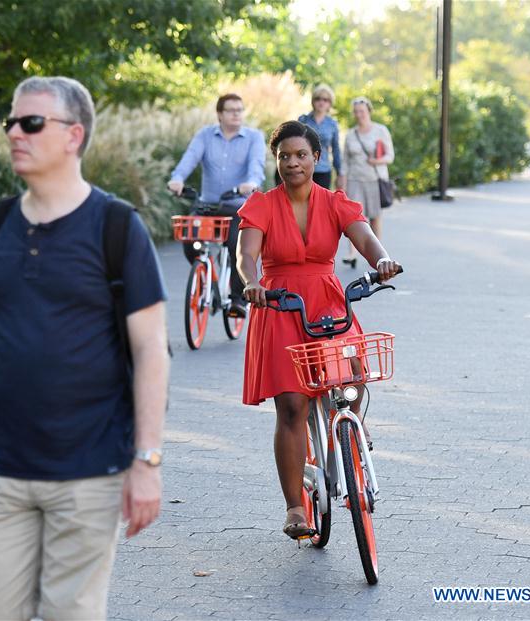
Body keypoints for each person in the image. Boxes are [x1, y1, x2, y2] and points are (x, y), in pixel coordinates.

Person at [0, 76, 170, 621]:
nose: (14, 132)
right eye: (11, 122)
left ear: (73, 135)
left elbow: (153, 351)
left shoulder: (116, 227)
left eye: (30, 123)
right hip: (2, 472)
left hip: (90, 473)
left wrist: (147, 461)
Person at [236, 120, 401, 539]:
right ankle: (295, 506)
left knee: (353, 379)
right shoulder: (262, 205)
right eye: (284, 156)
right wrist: (251, 283)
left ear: (317, 158)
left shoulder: (335, 202)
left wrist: (381, 261)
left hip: (327, 301)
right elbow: (246, 255)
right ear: (277, 160)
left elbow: (365, 239)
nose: (293, 163)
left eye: (301, 155)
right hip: (279, 305)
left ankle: (351, 434)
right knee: (291, 406)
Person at [168, 93, 266, 317]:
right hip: (207, 206)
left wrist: (251, 183)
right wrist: (178, 179)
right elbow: (189, 158)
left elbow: (256, 166)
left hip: (237, 207)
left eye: (240, 110)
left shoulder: (253, 137)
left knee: (237, 247)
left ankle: (237, 299)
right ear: (220, 114)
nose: (236, 114)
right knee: (188, 237)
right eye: (231, 110)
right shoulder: (205, 135)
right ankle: (204, 275)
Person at [341, 96, 394, 269]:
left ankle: (379, 256)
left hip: (374, 179)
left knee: (375, 217)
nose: (359, 115)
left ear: (369, 111)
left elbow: (390, 156)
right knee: (353, 217)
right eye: (356, 112)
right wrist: (343, 182)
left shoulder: (380, 130)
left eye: (362, 111)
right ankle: (352, 254)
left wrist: (377, 161)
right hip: (355, 179)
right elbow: (345, 162)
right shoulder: (350, 134)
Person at [278, 84, 345, 191]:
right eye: (318, 99)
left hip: (323, 170)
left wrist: (340, 173)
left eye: (325, 99)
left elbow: (336, 149)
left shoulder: (332, 124)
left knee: (320, 205)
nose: (321, 102)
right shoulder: (303, 120)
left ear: (330, 103)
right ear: (313, 101)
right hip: (302, 169)